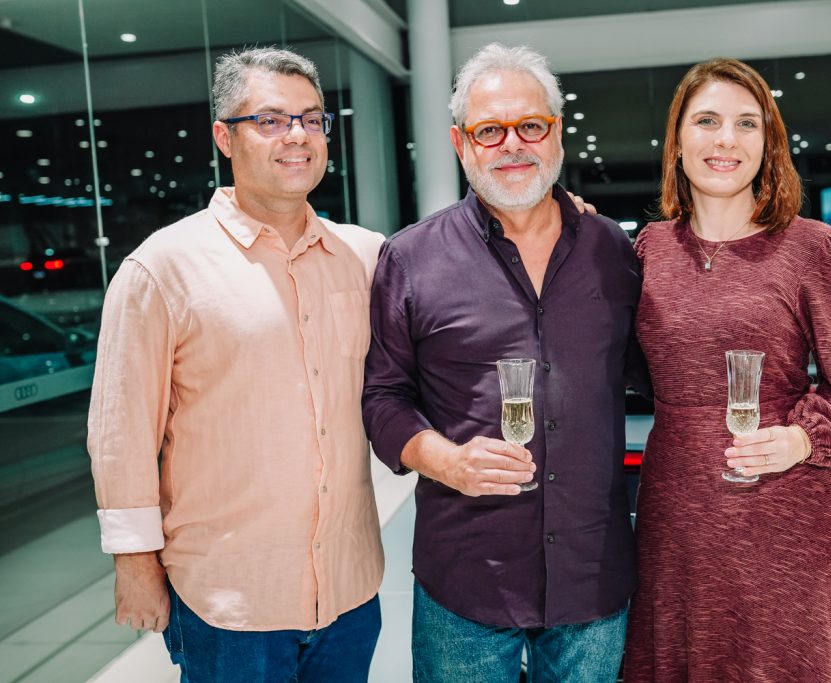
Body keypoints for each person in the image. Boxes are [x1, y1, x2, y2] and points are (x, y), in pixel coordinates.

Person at [87, 47, 385, 682]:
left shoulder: (365, 256)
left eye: (311, 118)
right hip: (229, 605)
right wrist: (135, 564)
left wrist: (549, 215)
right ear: (224, 136)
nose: (297, 136)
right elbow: (121, 436)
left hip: (350, 591)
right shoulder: (162, 268)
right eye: (271, 120)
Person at [362, 43, 645, 682]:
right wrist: (445, 459)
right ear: (462, 143)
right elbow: (381, 396)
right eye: (490, 131)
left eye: (530, 126)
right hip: (467, 573)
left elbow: (653, 369)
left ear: (557, 135)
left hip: (591, 571)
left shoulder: (612, 249)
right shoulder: (411, 259)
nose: (512, 144)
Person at [622, 58, 831, 682]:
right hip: (675, 516)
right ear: (678, 140)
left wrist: (799, 437)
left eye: (747, 124)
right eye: (707, 120)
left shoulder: (816, 249)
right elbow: (625, 367)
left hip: (783, 515)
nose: (726, 140)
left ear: (768, 144)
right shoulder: (647, 250)